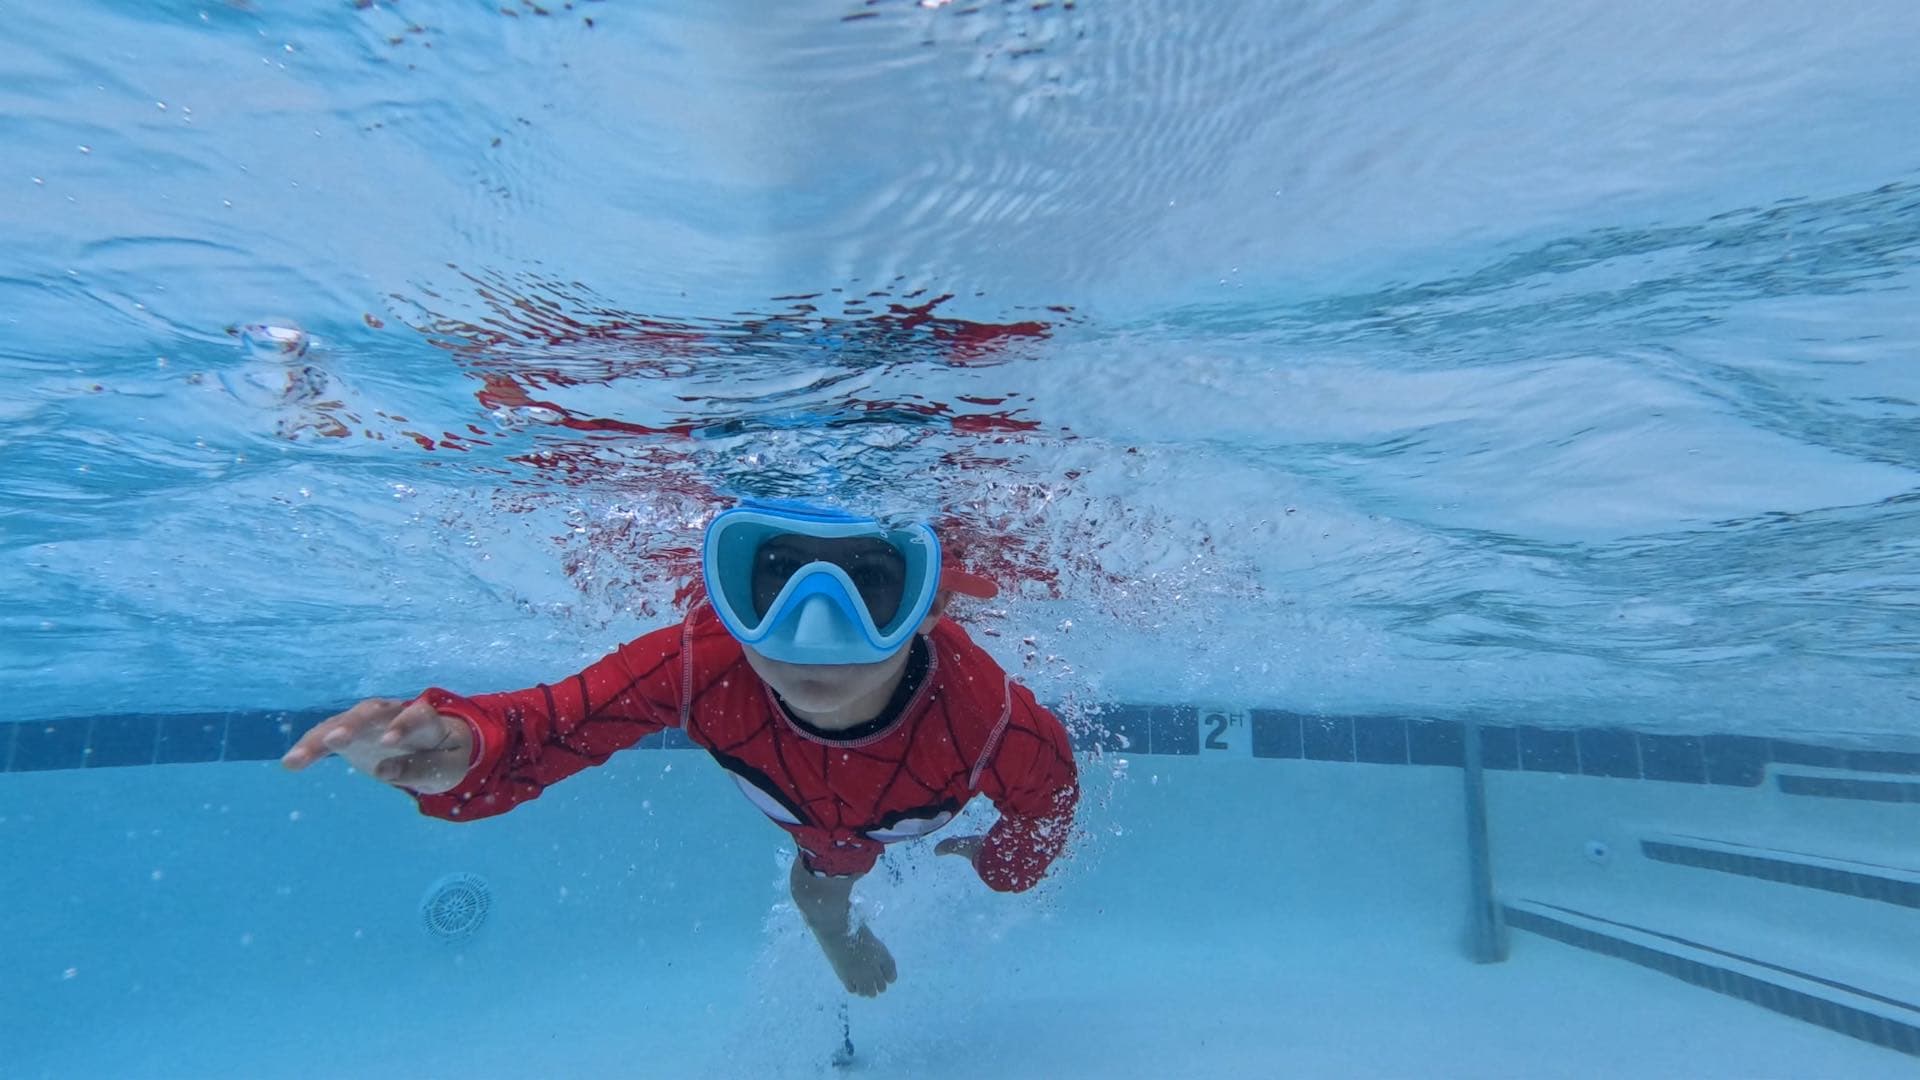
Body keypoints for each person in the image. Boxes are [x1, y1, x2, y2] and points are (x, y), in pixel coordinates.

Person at [282, 499, 1080, 997]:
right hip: (813, 826)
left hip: (909, 804)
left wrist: (999, 864)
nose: (813, 630)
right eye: (774, 577)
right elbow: (548, 724)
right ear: (727, 591)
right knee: (820, 893)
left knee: (847, 870)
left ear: (931, 608)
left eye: (871, 583)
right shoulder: (700, 663)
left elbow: (1051, 804)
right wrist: (466, 747)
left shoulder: (990, 720)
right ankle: (835, 933)